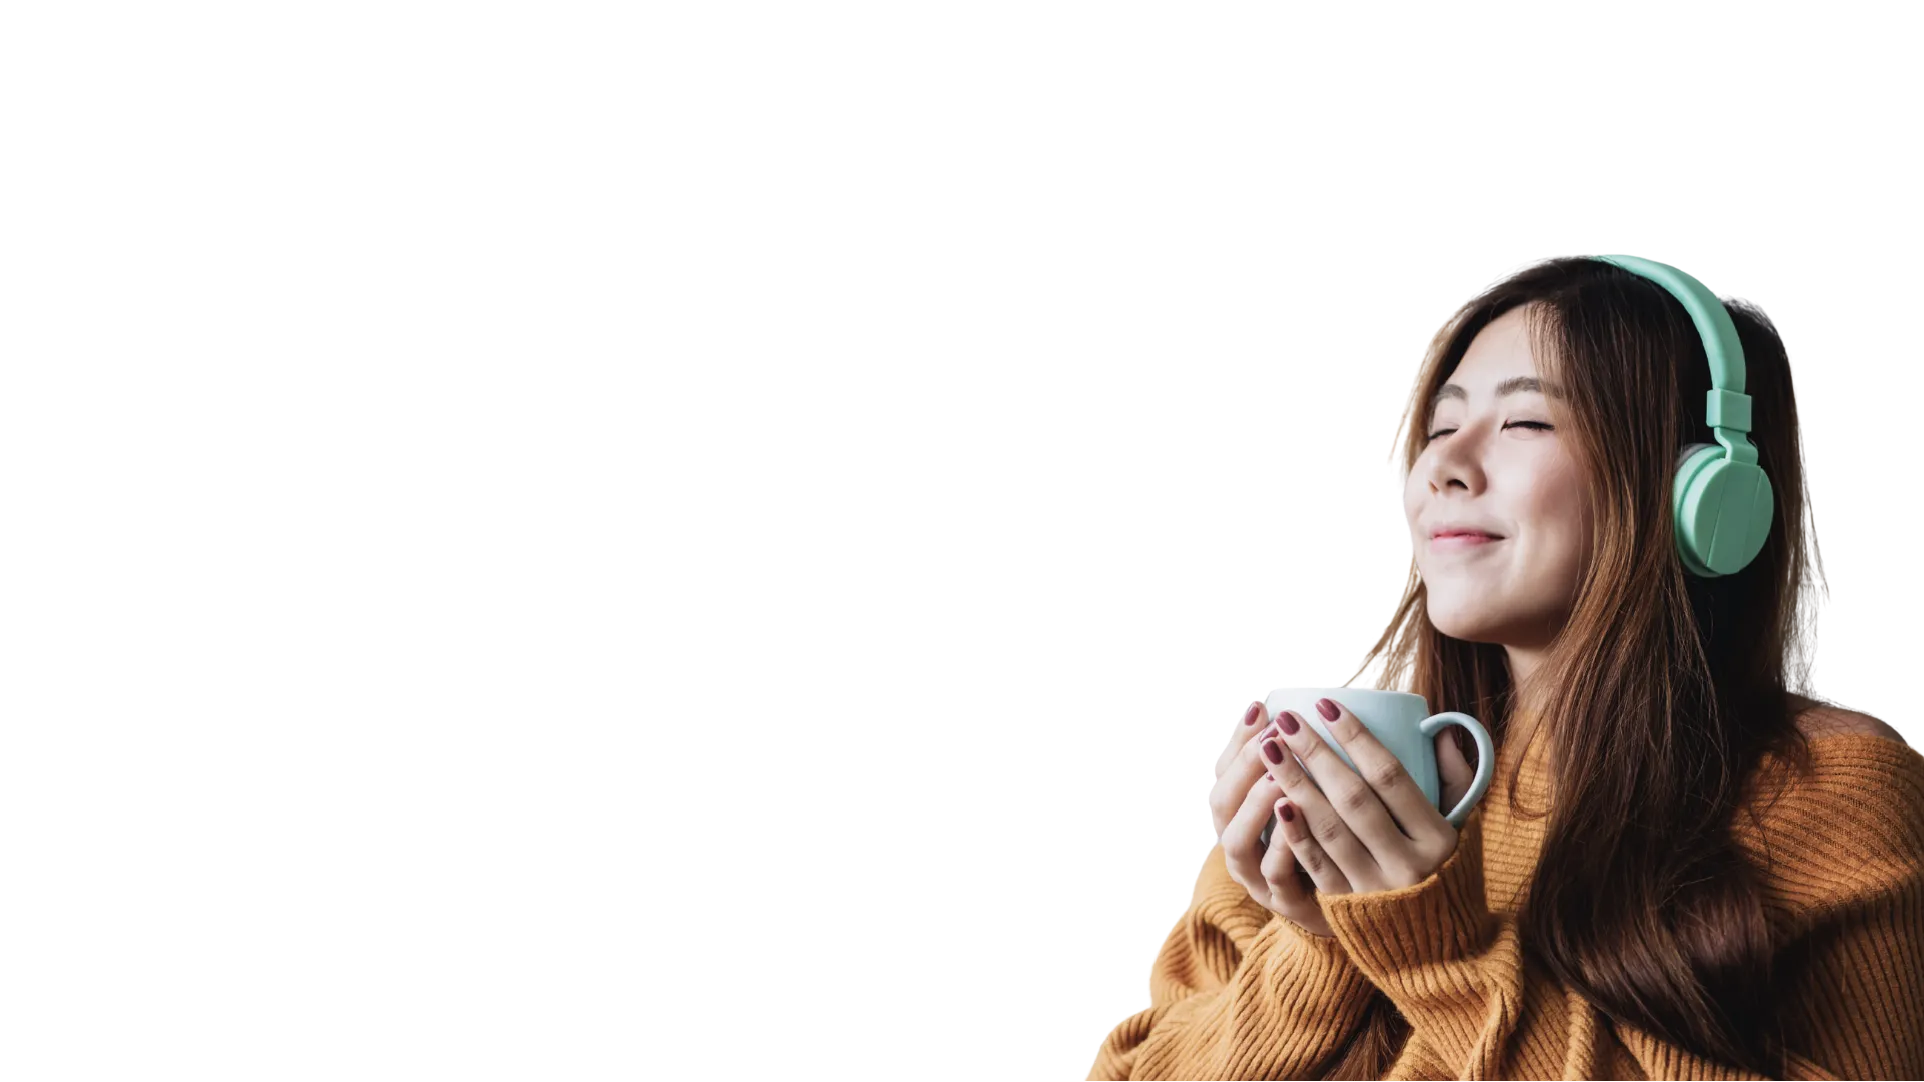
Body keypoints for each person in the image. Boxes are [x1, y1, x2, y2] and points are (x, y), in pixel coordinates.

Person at [1085, 251, 1922, 1082]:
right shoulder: (1352, 785)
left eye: (1526, 423)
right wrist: (1324, 946)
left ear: (1698, 492)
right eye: (1440, 429)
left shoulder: (1836, 795)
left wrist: (1435, 953)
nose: (1443, 466)